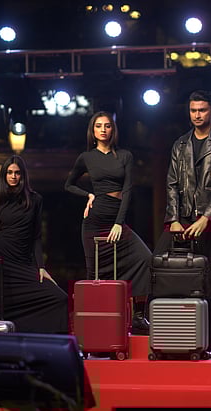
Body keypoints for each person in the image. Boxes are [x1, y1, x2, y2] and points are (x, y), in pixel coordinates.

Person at [153, 90, 211, 357]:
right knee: (160, 266)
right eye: (193, 110)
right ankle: (168, 334)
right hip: (183, 218)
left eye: (202, 110)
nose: (197, 115)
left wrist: (207, 218)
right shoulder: (180, 144)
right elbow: (171, 183)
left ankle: (209, 341)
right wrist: (173, 219)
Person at [64, 111, 152, 335]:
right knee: (94, 275)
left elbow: (128, 190)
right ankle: (93, 327)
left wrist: (119, 223)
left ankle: (139, 316)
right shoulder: (86, 157)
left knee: (145, 259)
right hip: (94, 222)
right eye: (98, 126)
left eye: (107, 126)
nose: (103, 129)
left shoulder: (124, 156)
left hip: (116, 221)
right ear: (92, 131)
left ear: (113, 129)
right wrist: (88, 195)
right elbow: (69, 184)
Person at [0, 155, 68, 333]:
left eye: (17, 172)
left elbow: (36, 237)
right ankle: (11, 346)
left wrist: (41, 267)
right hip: (0, 264)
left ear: (23, 175)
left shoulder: (35, 200)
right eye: (9, 172)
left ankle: (51, 343)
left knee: (59, 297)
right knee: (5, 315)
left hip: (24, 263)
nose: (13, 176)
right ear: (4, 175)